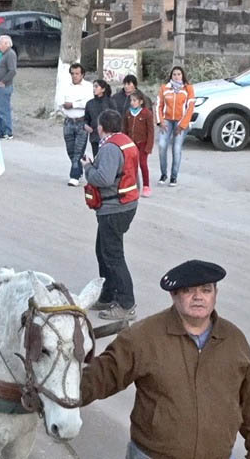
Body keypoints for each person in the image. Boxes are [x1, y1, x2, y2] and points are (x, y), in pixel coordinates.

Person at [81, 260, 250, 459]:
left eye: (206, 290)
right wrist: (58, 392)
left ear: (216, 294)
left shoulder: (234, 340)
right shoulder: (144, 336)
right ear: (174, 295)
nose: (198, 297)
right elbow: (101, 376)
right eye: (189, 291)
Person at [82, 110, 139, 321]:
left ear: (101, 127)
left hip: (114, 208)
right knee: (103, 251)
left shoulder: (110, 148)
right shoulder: (125, 142)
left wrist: (88, 168)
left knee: (113, 255)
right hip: (125, 204)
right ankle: (107, 295)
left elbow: (103, 179)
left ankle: (126, 303)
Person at [157, 66, 194, 187]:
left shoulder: (188, 88)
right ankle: (163, 174)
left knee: (176, 148)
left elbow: (190, 108)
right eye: (174, 74)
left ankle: (174, 177)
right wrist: (160, 121)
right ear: (171, 76)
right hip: (167, 120)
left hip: (181, 121)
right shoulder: (165, 88)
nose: (176, 76)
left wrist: (182, 125)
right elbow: (159, 105)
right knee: (162, 145)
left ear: (182, 75)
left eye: (179, 74)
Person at [59, 63, 93, 186]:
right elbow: (61, 101)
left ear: (82, 74)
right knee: (71, 150)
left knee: (78, 150)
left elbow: (88, 102)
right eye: (72, 73)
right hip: (69, 120)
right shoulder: (65, 86)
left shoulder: (88, 87)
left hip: (81, 121)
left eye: (77, 74)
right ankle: (79, 168)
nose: (75, 76)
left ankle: (74, 176)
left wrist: (73, 104)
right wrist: (65, 109)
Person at [124, 93, 155, 198]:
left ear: (141, 102)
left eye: (134, 100)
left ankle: (146, 186)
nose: (132, 103)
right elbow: (124, 129)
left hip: (143, 143)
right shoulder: (128, 113)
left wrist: (149, 146)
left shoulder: (147, 113)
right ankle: (133, 186)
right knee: (131, 165)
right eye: (131, 100)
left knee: (143, 164)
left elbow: (151, 131)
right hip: (131, 143)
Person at [0, 35, 17, 140]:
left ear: (6, 44)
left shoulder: (10, 54)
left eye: (0, 43)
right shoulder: (3, 54)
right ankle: (1, 131)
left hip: (4, 87)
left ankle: (7, 132)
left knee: (3, 109)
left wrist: (3, 81)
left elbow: (12, 71)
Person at [83, 79, 115, 158]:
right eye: (93, 87)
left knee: (108, 160)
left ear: (103, 89)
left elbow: (115, 118)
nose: (94, 89)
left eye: (96, 86)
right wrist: (86, 126)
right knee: (97, 159)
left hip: (108, 137)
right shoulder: (89, 103)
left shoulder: (110, 102)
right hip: (95, 137)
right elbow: (86, 119)